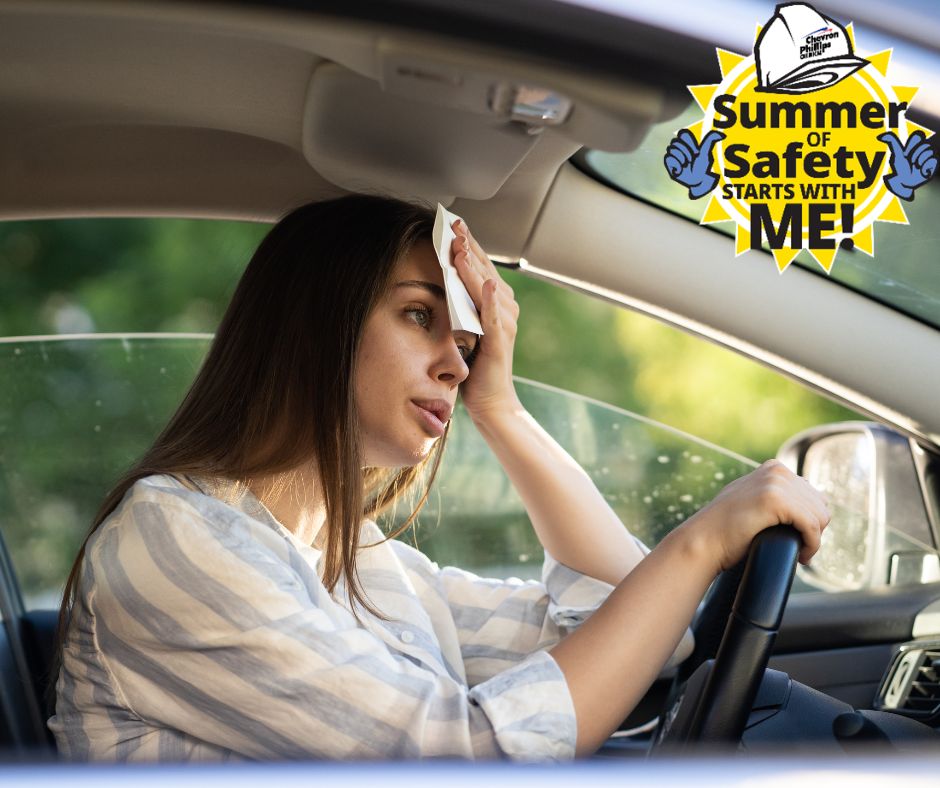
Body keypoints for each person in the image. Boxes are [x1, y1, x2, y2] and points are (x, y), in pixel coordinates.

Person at [48, 194, 830, 762]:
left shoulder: (359, 560)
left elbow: (636, 633)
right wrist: (701, 543)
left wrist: (503, 412)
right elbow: (465, 760)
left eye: (468, 342)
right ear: (318, 323)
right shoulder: (171, 539)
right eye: (420, 316)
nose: (458, 364)